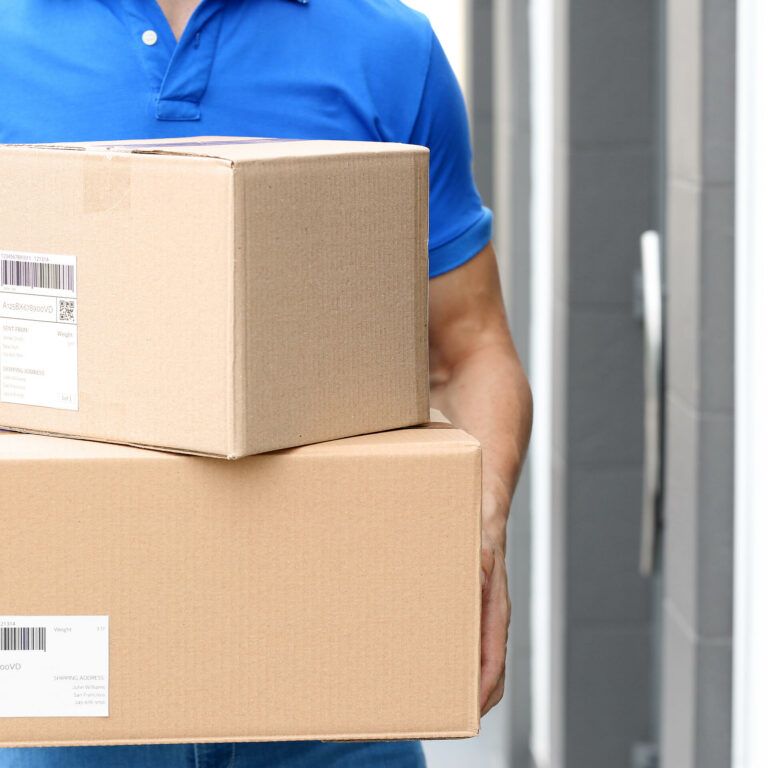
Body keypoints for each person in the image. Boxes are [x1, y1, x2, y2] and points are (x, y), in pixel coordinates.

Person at [0, 1, 533, 766]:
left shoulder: (385, 47)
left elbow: (472, 346)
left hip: (338, 711)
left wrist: (475, 534)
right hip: (64, 723)